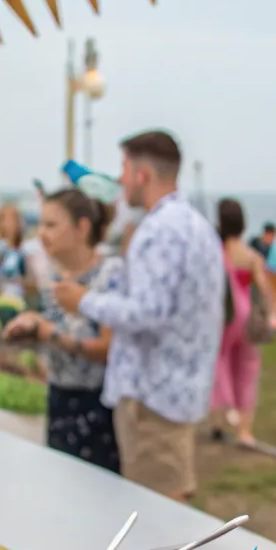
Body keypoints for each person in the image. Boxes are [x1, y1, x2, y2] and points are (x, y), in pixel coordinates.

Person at [54, 130, 224, 501]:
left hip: (153, 396)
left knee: (156, 517)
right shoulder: (194, 224)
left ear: (142, 173)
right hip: (178, 388)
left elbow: (147, 311)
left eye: (124, 168)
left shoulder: (160, 230)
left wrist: (84, 300)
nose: (120, 179)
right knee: (169, 504)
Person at [3, 189, 122, 471]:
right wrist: (31, 329)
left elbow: (109, 349)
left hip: (99, 407)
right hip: (59, 398)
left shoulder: (110, 274)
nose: (42, 234)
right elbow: (57, 329)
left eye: (51, 225)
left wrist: (48, 333)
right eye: (41, 224)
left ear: (82, 227)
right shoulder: (53, 277)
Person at [211, 199, 275, 446]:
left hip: (223, 315)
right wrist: (270, 314)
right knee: (247, 370)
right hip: (246, 316)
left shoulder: (216, 252)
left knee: (220, 363)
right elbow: (265, 289)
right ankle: (245, 430)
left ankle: (221, 417)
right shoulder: (251, 256)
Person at [0, 204, 31, 309]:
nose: (7, 224)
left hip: (17, 301)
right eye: (3, 219)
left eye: (11, 220)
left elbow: (29, 279)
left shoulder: (25, 249)